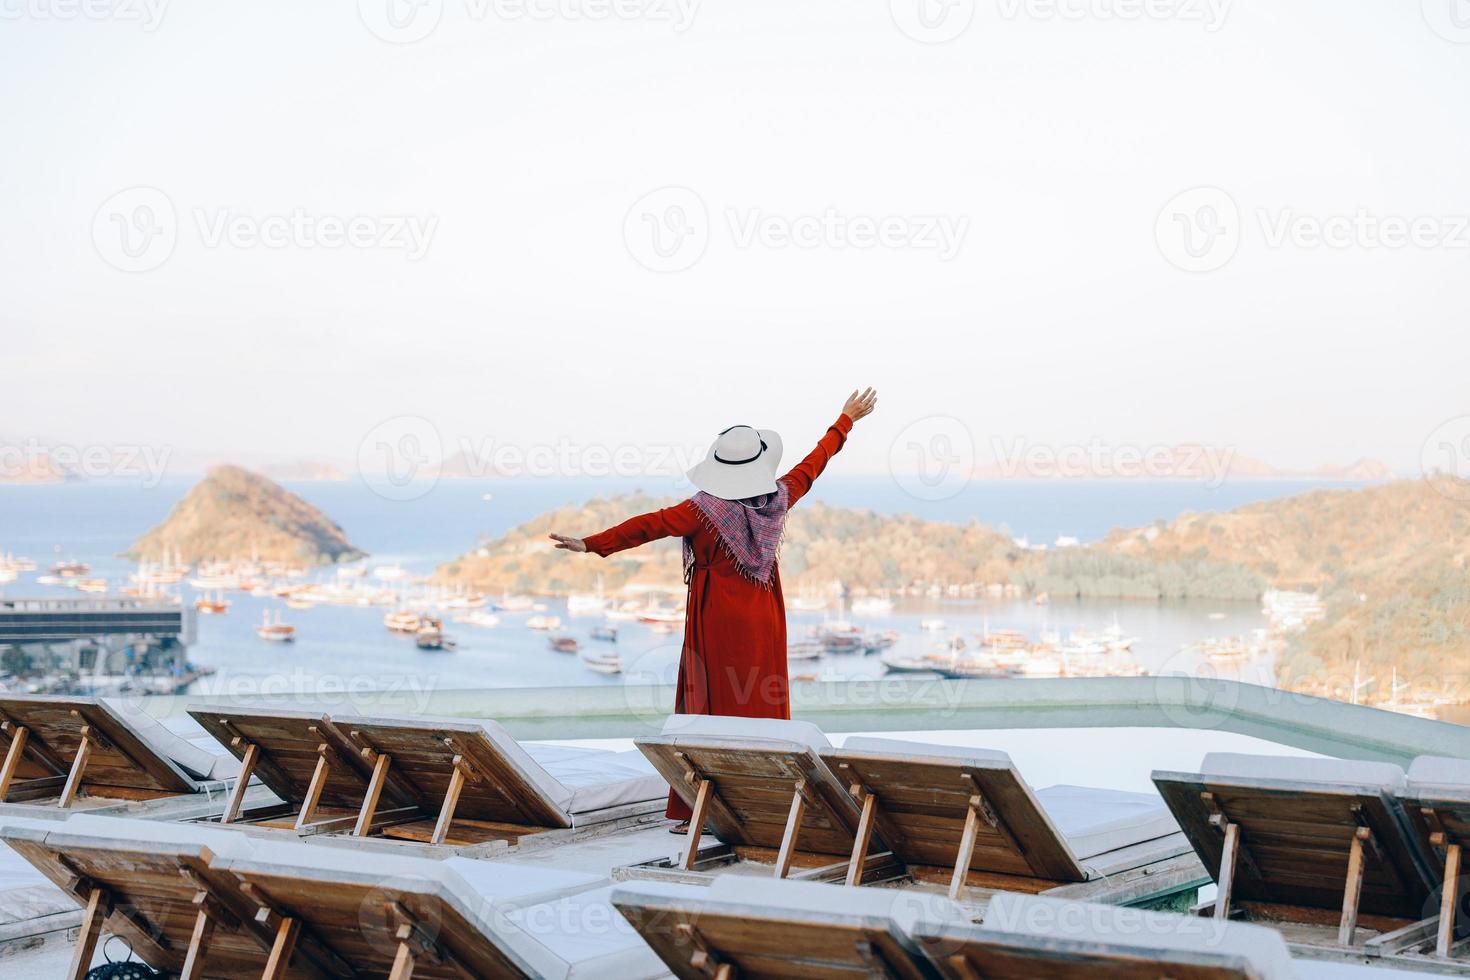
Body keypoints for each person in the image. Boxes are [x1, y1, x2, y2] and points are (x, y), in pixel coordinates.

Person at [549, 387, 878, 830]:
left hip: (716, 620)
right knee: (760, 706)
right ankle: (766, 805)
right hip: (763, 618)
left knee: (710, 709)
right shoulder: (779, 497)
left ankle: (701, 810)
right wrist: (846, 420)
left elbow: (647, 526)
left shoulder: (699, 511)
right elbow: (814, 463)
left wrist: (590, 543)